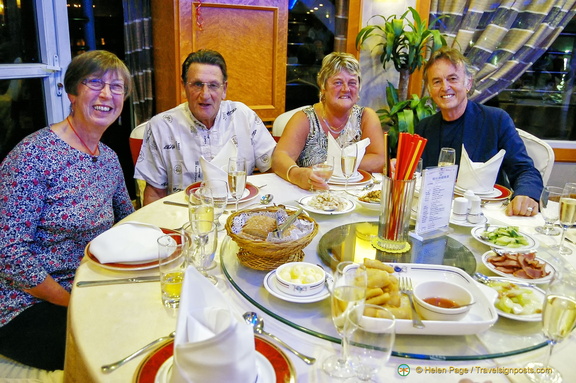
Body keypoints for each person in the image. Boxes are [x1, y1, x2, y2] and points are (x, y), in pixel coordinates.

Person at [0, 50, 134, 370]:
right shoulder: (33, 155)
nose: (106, 94)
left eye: (117, 87)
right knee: (121, 345)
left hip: (88, 285)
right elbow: (9, 253)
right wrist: (73, 301)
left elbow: (129, 219)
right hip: (27, 304)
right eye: (95, 83)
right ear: (72, 92)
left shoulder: (109, 158)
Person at [134, 49, 277, 205]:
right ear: (183, 87)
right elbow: (154, 194)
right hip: (186, 217)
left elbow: (273, 167)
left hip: (239, 213)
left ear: (225, 89)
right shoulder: (161, 127)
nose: (205, 94)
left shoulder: (243, 116)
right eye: (197, 84)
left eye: (213, 85)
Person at [416, 47, 543, 217]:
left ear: (468, 83)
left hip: (483, 216)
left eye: (452, 79)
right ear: (430, 89)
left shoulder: (496, 120)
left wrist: (526, 194)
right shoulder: (424, 128)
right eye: (437, 81)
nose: (445, 87)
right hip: (434, 215)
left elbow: (524, 169)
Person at [272, 52, 385, 191]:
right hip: (311, 197)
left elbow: (379, 160)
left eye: (352, 83)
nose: (346, 89)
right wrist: (297, 174)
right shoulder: (304, 119)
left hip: (356, 195)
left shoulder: (366, 116)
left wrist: (329, 166)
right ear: (323, 86)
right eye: (338, 82)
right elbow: (279, 157)